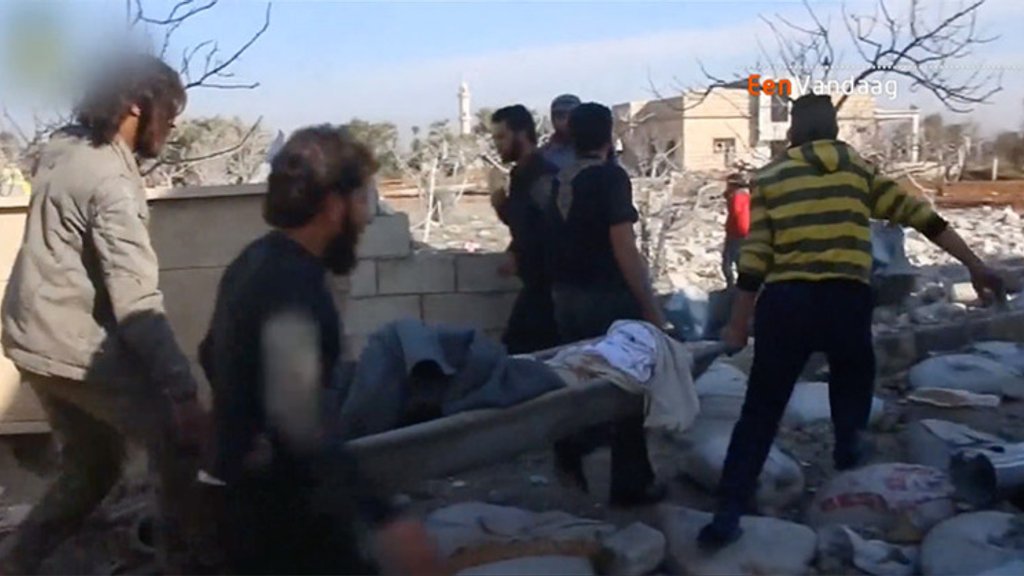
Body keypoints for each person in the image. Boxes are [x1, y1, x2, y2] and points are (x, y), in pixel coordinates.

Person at [698, 94, 1006, 549]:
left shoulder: (772, 178)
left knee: (760, 410)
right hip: (846, 300)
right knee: (854, 378)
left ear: (793, 131)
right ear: (836, 131)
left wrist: (738, 323)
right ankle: (848, 452)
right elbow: (925, 219)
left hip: (787, 303)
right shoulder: (858, 172)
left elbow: (756, 257)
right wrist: (975, 265)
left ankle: (728, 512)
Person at [198, 125, 442, 574]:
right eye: (362, 199)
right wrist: (385, 519)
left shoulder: (253, 260)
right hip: (281, 520)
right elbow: (302, 431)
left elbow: (209, 353)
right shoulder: (295, 289)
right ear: (333, 205)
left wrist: (241, 419)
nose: (366, 218)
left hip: (243, 503)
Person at [0, 55, 207, 573]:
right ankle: (185, 564)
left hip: (29, 335)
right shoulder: (110, 184)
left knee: (91, 468)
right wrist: (183, 392)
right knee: (178, 447)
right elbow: (137, 302)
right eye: (169, 113)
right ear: (136, 106)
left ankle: (17, 562)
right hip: (70, 345)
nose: (171, 126)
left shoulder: (65, 145)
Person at [544, 102, 669, 507]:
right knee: (629, 385)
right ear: (609, 135)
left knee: (580, 382)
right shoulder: (610, 178)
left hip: (566, 297)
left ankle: (572, 448)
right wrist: (651, 308)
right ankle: (630, 482)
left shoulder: (560, 179)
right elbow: (624, 248)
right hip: (607, 299)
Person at [489, 105, 560, 354]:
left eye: (501, 137)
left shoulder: (543, 176)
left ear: (521, 134)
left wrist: (519, 253)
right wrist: (499, 202)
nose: (497, 145)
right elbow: (523, 223)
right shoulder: (521, 174)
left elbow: (550, 227)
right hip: (536, 286)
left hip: (550, 290)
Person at [722, 173, 750, 288]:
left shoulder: (736, 197)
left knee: (727, 261)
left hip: (736, 232)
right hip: (746, 232)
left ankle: (731, 286)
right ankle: (742, 286)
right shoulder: (748, 196)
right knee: (741, 260)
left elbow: (735, 212)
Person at [540, 94, 580, 171]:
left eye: (572, 116)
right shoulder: (543, 155)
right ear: (553, 119)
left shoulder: (592, 151)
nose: (566, 122)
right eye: (561, 116)